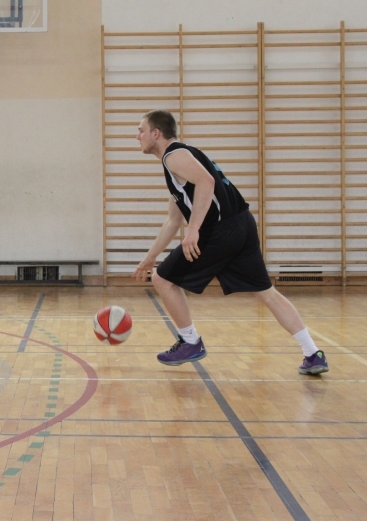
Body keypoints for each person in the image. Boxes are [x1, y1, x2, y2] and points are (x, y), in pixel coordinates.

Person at [132, 110, 328, 375]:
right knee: (266, 292)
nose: (138, 137)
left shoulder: (173, 155)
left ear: (156, 133)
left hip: (220, 230)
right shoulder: (180, 161)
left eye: (141, 131)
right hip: (242, 224)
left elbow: (207, 181)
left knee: (163, 280)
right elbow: (173, 220)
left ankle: (190, 341)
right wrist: (149, 258)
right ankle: (313, 354)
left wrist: (195, 229)